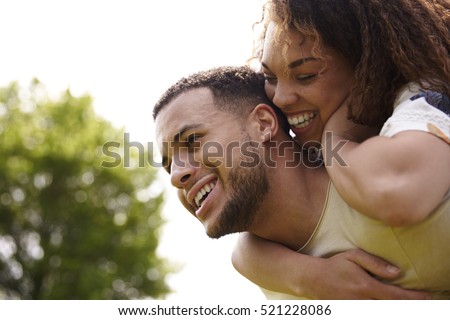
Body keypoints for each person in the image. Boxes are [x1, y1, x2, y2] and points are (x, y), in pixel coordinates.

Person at [152, 65, 448, 299]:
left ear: (264, 124)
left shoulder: (395, 158)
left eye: (192, 140)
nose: (177, 175)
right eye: (168, 166)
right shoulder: (280, 285)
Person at [232, 0, 450, 298]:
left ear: (368, 63)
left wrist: (338, 137)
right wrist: (308, 276)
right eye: (270, 78)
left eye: (306, 75)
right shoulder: (312, 141)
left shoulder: (429, 98)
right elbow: (247, 247)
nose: (280, 98)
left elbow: (398, 195)